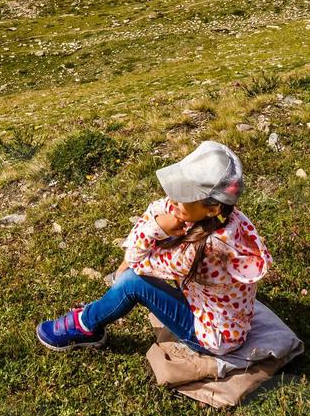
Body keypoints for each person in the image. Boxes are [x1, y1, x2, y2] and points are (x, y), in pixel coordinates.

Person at [36, 141, 272, 355]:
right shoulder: (226, 216)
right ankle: (93, 317)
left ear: (211, 208)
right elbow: (157, 207)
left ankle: (86, 325)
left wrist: (154, 229)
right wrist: (157, 222)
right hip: (215, 311)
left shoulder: (207, 250)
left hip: (213, 338)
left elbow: (138, 261)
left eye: (183, 197)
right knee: (131, 273)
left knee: (131, 283)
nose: (173, 202)